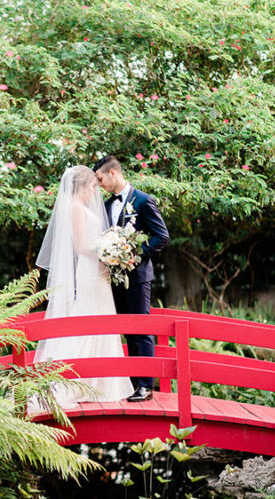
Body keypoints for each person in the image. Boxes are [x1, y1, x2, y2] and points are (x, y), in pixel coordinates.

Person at [31, 165, 134, 411]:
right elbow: (79, 247)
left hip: (96, 273)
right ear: (82, 186)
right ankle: (83, 382)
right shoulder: (75, 208)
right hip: (89, 272)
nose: (94, 192)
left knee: (102, 319)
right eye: (91, 187)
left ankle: (102, 382)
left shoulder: (79, 207)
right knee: (93, 319)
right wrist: (108, 253)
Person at [93, 155, 170, 402]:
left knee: (141, 331)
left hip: (137, 277)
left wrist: (132, 253)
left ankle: (145, 385)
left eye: (101, 178)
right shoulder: (105, 206)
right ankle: (131, 384)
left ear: (113, 172)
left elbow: (161, 237)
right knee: (123, 332)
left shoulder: (144, 201)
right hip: (113, 280)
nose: (100, 184)